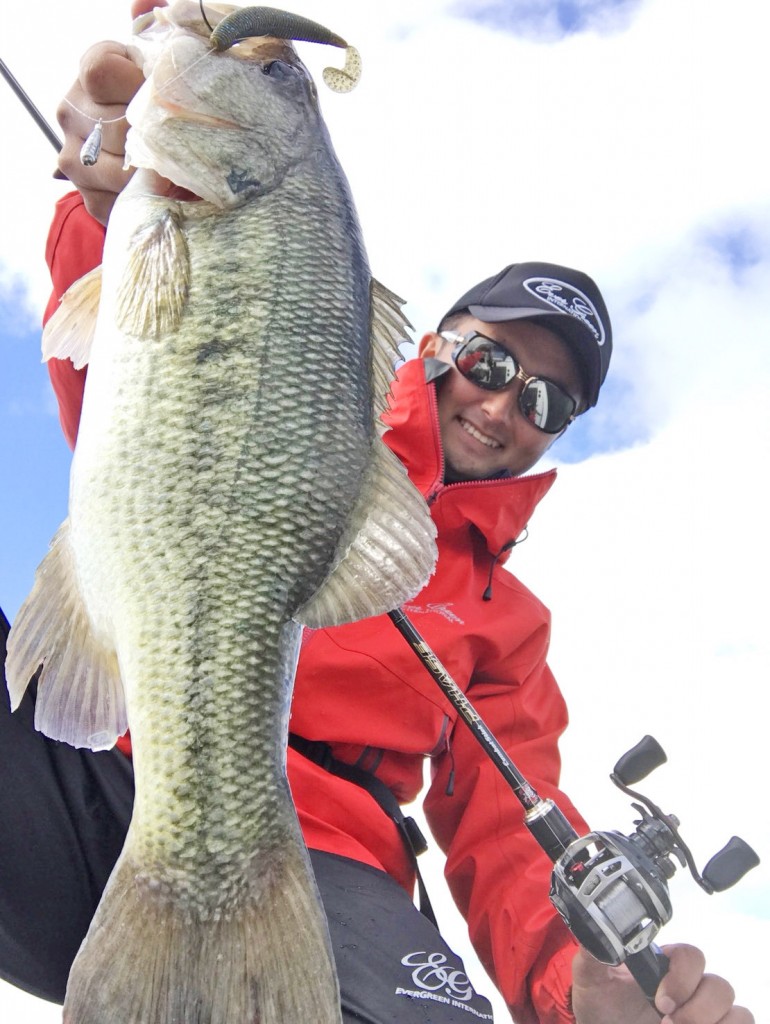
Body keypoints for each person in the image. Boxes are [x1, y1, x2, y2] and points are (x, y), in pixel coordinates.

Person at [0, 4, 754, 1023]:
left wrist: (577, 995)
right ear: (435, 344)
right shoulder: (295, 367)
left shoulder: (507, 629)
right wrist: (102, 194)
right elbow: (121, 380)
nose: (502, 405)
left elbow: (507, 833)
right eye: (490, 361)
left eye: (546, 402)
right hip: (101, 774)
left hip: (325, 874)